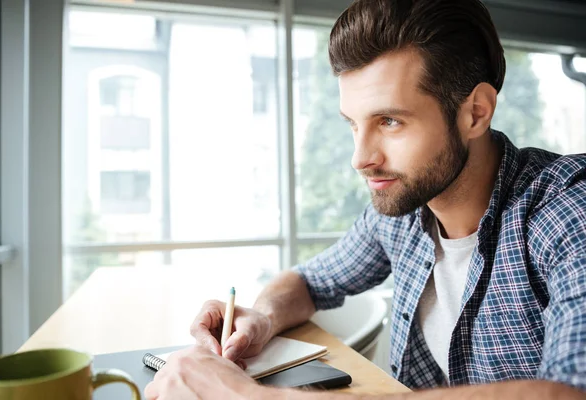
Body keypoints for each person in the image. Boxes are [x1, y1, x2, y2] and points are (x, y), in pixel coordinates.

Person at [144, 0, 586, 398]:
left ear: (476, 112)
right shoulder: (404, 211)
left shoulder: (567, 210)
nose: (361, 158)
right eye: (353, 124)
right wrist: (261, 318)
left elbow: (569, 393)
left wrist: (255, 397)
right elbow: (310, 282)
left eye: (390, 121)